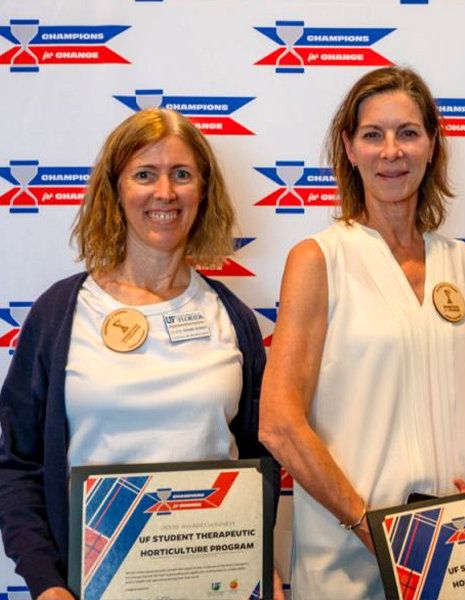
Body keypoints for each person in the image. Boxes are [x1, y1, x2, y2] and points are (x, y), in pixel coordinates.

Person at [0, 109, 280, 600]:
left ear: (204, 191)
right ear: (115, 190)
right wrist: (47, 585)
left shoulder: (232, 318)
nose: (165, 193)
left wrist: (261, 565)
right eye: (144, 174)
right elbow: (18, 466)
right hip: (90, 587)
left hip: (215, 584)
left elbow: (259, 463)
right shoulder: (59, 314)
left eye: (182, 175)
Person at [258, 66, 465, 600]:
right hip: (350, 559)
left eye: (408, 132)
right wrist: (368, 526)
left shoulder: (463, 264)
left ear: (432, 144)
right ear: (349, 149)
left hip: (454, 551)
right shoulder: (319, 259)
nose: (391, 151)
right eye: (373, 135)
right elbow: (279, 424)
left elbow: (463, 380)